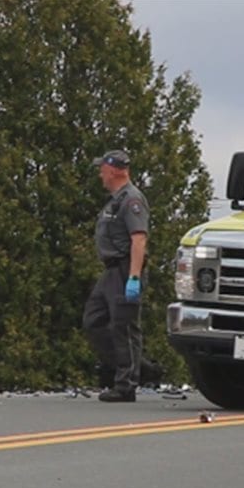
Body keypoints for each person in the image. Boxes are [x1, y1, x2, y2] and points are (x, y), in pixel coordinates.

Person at [83, 149, 149, 403]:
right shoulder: (115, 200)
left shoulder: (131, 200)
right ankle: (136, 367)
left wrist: (133, 277)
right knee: (94, 320)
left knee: (124, 326)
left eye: (103, 168)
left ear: (113, 170)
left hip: (124, 268)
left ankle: (126, 385)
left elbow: (139, 240)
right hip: (110, 270)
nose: (100, 173)